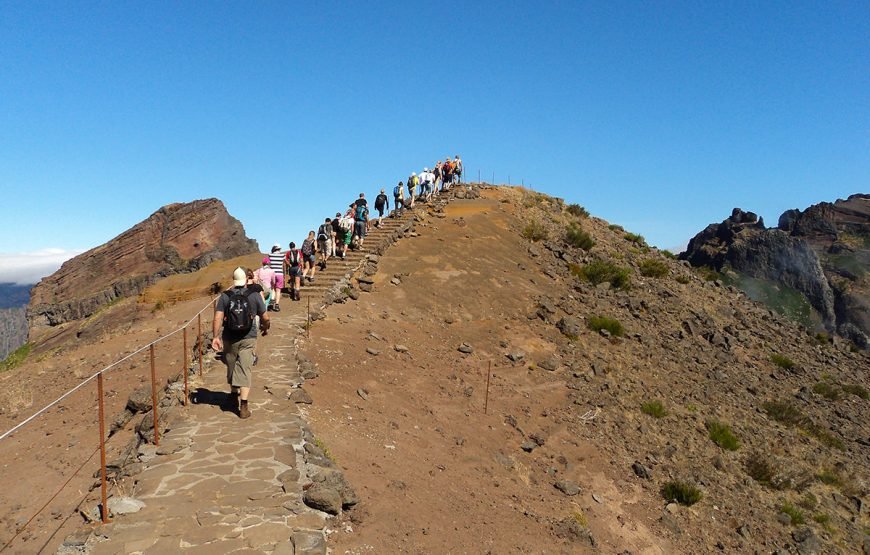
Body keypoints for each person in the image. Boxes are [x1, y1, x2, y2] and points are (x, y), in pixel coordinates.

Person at [212, 267, 269, 419]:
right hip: (248, 337)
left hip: (229, 337)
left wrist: (215, 337)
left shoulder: (225, 296)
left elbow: (218, 317)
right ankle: (243, 405)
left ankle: (232, 394)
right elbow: (265, 316)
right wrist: (265, 327)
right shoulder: (255, 295)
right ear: (245, 281)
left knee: (231, 365)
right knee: (245, 368)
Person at [268, 244, 285, 312]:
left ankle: (272, 299)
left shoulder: (270, 255)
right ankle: (277, 305)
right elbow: (284, 264)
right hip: (280, 274)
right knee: (278, 290)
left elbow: (269, 264)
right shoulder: (282, 255)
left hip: (272, 274)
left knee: (272, 288)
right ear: (279, 249)